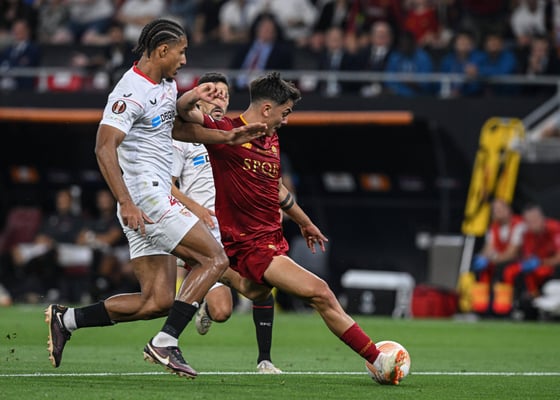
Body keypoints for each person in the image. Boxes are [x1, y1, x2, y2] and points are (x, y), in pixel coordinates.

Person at [44, 18, 266, 378]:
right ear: (162, 50)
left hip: (148, 201)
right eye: (181, 52)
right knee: (214, 258)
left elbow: (176, 128)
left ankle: (66, 319)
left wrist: (228, 137)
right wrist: (125, 202)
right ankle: (165, 342)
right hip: (145, 198)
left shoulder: (165, 85)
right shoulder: (130, 91)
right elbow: (104, 147)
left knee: (157, 300)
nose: (184, 60)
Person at [175, 71, 407, 385]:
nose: (286, 120)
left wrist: (304, 221)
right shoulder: (227, 132)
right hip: (252, 245)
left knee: (253, 291)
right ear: (266, 109)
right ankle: (378, 360)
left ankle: (212, 266)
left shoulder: (271, 137)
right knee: (321, 293)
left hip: (272, 238)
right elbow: (183, 113)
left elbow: (276, 189)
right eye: (284, 113)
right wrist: (195, 94)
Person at [171, 71, 281, 373]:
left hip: (236, 228)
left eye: (225, 94)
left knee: (263, 278)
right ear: (199, 100)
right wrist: (196, 208)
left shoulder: (237, 133)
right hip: (203, 232)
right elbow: (167, 186)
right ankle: (170, 336)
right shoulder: (185, 138)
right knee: (222, 312)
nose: (220, 99)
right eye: (213, 94)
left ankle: (265, 360)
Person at [495, 203, 560, 319]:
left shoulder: (555, 229)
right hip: (536, 271)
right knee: (509, 271)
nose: (532, 224)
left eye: (535, 220)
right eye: (529, 221)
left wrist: (541, 262)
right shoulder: (526, 233)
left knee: (551, 287)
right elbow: (526, 256)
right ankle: (507, 309)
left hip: (553, 271)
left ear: (542, 218)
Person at [469, 198, 525, 315]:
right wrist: (482, 257)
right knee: (481, 270)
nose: (496, 213)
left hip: (518, 262)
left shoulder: (519, 224)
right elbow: (488, 248)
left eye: (500, 209)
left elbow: (512, 253)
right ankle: (481, 309)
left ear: (508, 210)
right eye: (494, 210)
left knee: (506, 271)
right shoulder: (493, 227)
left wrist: (492, 260)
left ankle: (504, 310)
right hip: (498, 260)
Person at [0, 19, 41, 91]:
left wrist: (9, 67)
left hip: (23, 88)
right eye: (15, 30)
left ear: (27, 31)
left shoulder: (33, 49)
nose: (17, 32)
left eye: (20, 29)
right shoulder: (8, 50)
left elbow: (27, 65)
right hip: (4, 86)